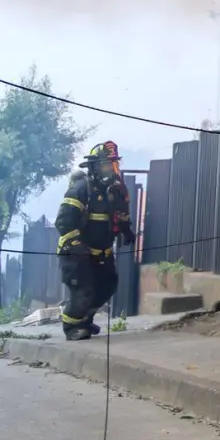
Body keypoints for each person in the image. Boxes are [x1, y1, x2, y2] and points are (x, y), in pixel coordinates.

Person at [56, 141, 134, 341]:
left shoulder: (116, 191)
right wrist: (76, 245)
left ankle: (85, 321)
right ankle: (72, 328)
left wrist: (127, 232)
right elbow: (63, 222)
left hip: (102, 253)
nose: (111, 169)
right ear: (95, 166)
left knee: (107, 286)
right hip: (76, 253)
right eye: (107, 164)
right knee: (84, 290)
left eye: (114, 164)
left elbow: (121, 215)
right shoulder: (83, 189)